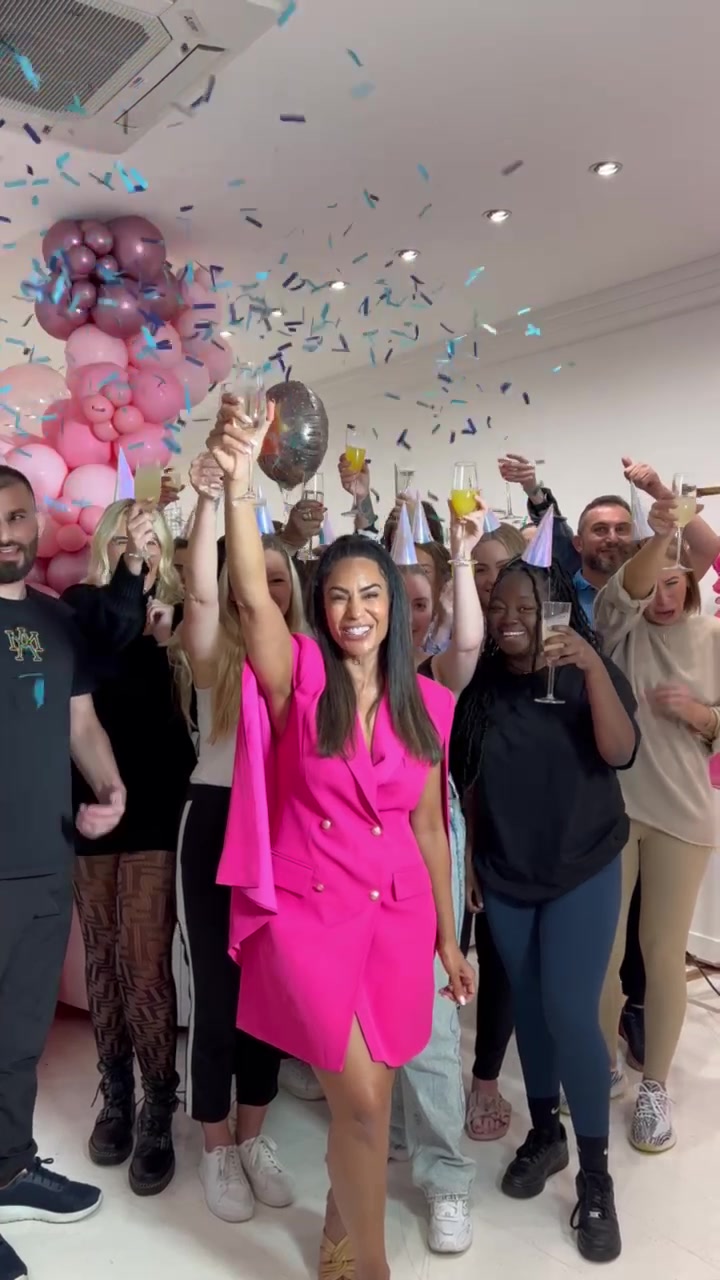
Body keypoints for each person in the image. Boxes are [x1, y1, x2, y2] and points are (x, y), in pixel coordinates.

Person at [209, 397, 475, 1280]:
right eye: (338, 596)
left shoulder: (429, 704)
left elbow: (430, 825)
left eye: (371, 595)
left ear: (395, 607)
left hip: (398, 914)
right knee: (358, 1097)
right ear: (320, 609)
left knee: (376, 1097)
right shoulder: (300, 677)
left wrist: (448, 937)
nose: (355, 610)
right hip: (310, 913)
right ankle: (373, 1269)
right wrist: (241, 486)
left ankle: (337, 1231)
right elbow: (253, 598)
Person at [451, 556, 640, 1264]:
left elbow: (621, 752)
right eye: (499, 606)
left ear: (555, 608)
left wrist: (590, 666)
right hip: (507, 873)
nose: (510, 619)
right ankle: (545, 1133)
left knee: (569, 1011)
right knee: (528, 1009)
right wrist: (472, 859)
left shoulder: (589, 670)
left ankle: (596, 1178)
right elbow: (469, 780)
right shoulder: (482, 687)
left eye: (526, 607)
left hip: (582, 865)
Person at [0, 465, 125, 1280]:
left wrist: (110, 788)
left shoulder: (55, 620)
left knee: (19, 1038)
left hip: (45, 862)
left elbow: (81, 722)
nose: (4, 533)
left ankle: (8, 1168)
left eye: (15, 516)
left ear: (36, 522)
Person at [172, 453, 304, 1221]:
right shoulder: (214, 651)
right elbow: (197, 592)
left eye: (281, 580)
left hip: (285, 835)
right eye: (259, 579)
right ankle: (216, 1145)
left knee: (270, 994)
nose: (269, 591)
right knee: (219, 995)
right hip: (218, 824)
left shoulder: (310, 662)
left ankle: (253, 1136)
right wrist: (208, 501)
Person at [63, 500, 196, 1197]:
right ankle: (116, 1090)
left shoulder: (182, 613)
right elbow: (109, 629)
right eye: (121, 534)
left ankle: (158, 1103)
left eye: (145, 536)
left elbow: (212, 698)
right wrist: (133, 573)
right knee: (102, 953)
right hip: (91, 796)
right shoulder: (81, 606)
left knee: (143, 960)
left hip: (158, 803)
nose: (132, 543)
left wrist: (176, 640)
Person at [596, 498, 720, 1153]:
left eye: (676, 583)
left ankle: (655, 1088)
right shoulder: (620, 625)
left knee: (663, 952)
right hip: (615, 808)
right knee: (604, 951)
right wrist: (661, 533)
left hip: (684, 814)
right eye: (656, 584)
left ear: (693, 581)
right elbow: (625, 593)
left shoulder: (712, 637)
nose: (663, 597)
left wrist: (701, 715)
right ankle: (601, 1065)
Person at [390, 498, 485, 1255]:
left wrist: (459, 556)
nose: (406, 615)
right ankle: (397, 1128)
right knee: (371, 1001)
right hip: (355, 843)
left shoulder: (434, 682)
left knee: (431, 1008)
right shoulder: (335, 680)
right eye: (397, 599)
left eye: (420, 604)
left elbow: (470, 642)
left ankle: (446, 1175)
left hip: (426, 837)